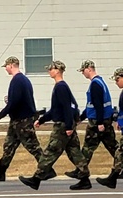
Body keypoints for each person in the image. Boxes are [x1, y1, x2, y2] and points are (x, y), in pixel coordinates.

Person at [19, 60, 90, 190]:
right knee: (74, 151)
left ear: (57, 71)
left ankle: (36, 179)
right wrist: (42, 120)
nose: (49, 71)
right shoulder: (61, 86)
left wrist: (68, 126)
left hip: (62, 126)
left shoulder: (61, 87)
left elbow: (67, 108)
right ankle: (84, 178)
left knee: (50, 151)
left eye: (51, 69)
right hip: (66, 124)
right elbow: (56, 109)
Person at [0, 56, 43, 181]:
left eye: (6, 66)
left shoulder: (17, 80)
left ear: (11, 65)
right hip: (17, 119)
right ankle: (0, 172)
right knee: (9, 146)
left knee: (32, 146)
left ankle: (47, 169)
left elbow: (14, 102)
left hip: (23, 120)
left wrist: (0, 115)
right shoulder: (23, 80)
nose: (5, 69)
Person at [75, 60, 123, 179]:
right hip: (105, 119)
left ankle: (80, 170)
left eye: (83, 71)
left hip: (97, 120)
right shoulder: (100, 82)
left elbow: (98, 105)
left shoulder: (95, 84)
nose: (83, 73)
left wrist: (100, 122)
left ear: (89, 69)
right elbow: (91, 105)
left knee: (88, 146)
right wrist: (81, 118)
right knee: (112, 145)